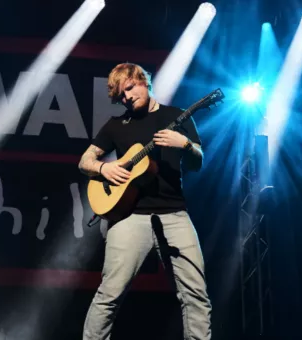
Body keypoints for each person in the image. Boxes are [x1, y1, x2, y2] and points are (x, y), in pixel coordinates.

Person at [78, 63, 212, 340]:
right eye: (121, 95)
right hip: (129, 216)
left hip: (174, 213)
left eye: (129, 88)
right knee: (109, 293)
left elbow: (198, 162)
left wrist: (184, 144)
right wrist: (104, 169)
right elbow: (85, 161)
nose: (126, 97)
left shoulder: (178, 116)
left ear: (144, 81)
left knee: (195, 294)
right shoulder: (116, 125)